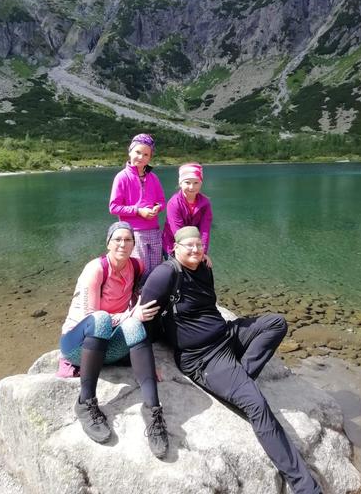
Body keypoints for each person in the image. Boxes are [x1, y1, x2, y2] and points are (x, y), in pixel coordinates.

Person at [140, 226, 322, 493]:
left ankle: (240, 379)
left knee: (275, 323)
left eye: (199, 245)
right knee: (257, 405)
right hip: (203, 357)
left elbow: (206, 305)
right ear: (175, 248)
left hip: (227, 335)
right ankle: (304, 486)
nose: (195, 249)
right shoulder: (165, 274)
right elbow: (144, 319)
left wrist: (202, 261)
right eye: (189, 245)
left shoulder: (203, 266)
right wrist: (147, 362)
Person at [59, 221, 169, 458]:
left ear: (134, 244)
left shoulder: (136, 266)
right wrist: (131, 314)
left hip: (107, 349)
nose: (123, 244)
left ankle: (153, 412)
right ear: (108, 243)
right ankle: (85, 402)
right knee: (102, 319)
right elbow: (91, 317)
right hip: (79, 346)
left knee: (135, 325)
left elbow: (148, 288)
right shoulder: (96, 269)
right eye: (117, 239)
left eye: (128, 240)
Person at [109, 133, 166, 277]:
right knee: (141, 270)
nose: (141, 157)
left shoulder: (153, 177)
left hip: (154, 231)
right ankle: (138, 291)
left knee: (157, 270)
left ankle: (155, 291)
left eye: (146, 154)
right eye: (138, 152)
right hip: (135, 233)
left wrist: (157, 207)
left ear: (150, 157)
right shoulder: (122, 177)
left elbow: (161, 201)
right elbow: (114, 207)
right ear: (130, 151)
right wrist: (139, 211)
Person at [162, 162, 213, 266]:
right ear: (180, 183)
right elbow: (178, 232)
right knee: (178, 272)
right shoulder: (174, 203)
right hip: (174, 245)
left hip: (194, 246)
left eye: (196, 182)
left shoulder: (205, 203)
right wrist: (190, 253)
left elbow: (205, 230)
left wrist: (202, 251)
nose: (191, 187)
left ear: (201, 183)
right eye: (187, 182)